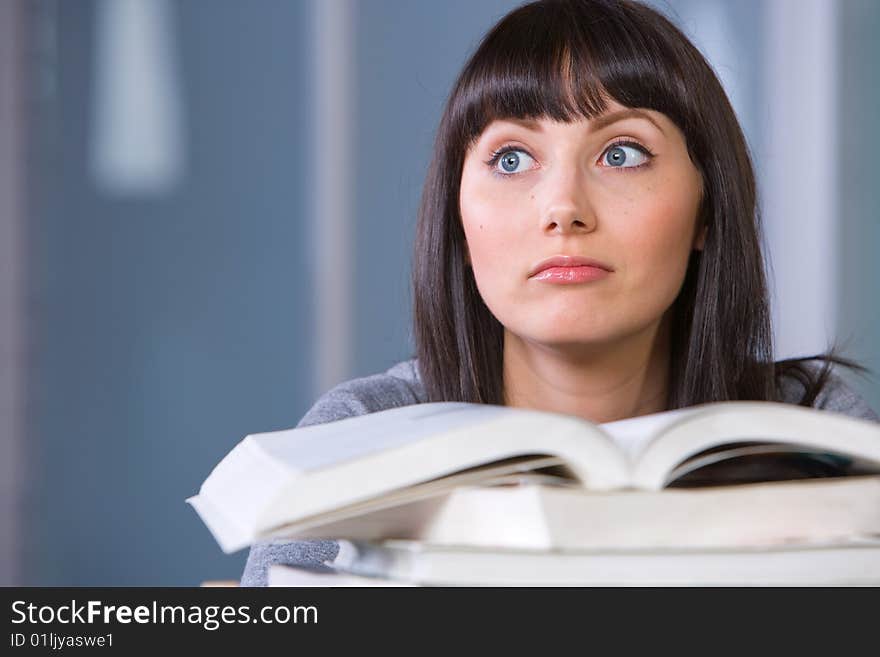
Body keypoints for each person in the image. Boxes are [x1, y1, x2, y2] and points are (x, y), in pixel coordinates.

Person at [240, 0, 879, 586]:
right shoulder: (358, 438)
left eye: (623, 153)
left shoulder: (821, 434)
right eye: (512, 159)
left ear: (706, 211)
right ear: (458, 220)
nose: (564, 209)